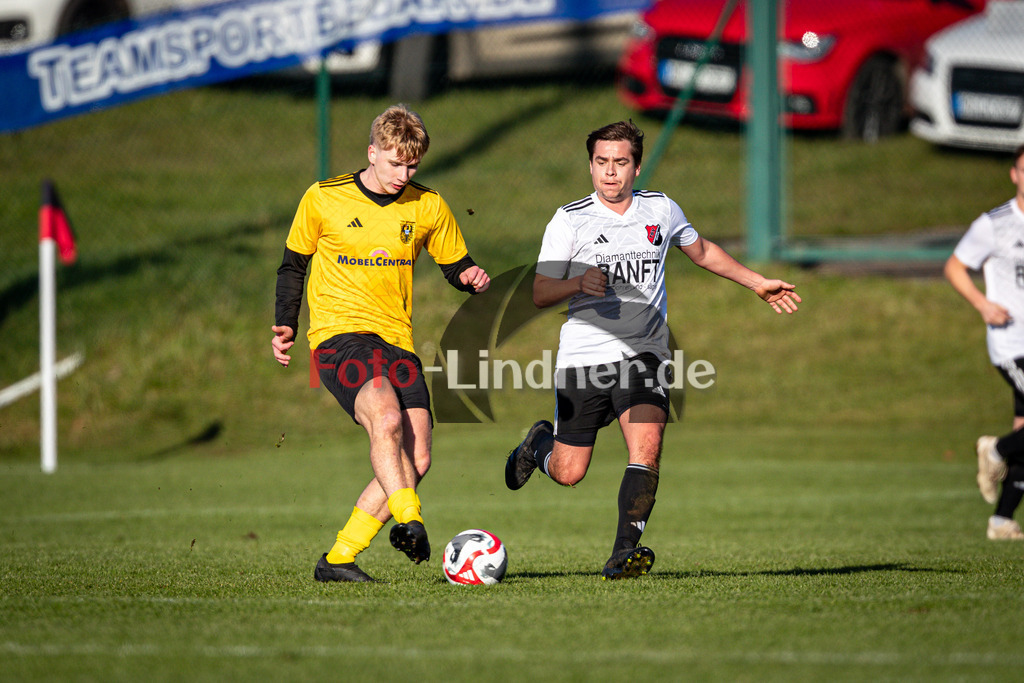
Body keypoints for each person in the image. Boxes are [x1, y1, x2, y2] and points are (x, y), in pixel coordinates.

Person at [504, 120, 801, 579]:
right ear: (590, 165)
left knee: (648, 445)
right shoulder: (570, 218)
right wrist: (577, 282)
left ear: (636, 168)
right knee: (568, 471)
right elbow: (539, 292)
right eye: (601, 162)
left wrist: (757, 282)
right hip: (583, 359)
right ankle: (537, 443)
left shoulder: (661, 211)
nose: (610, 172)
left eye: (620, 162)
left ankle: (623, 553)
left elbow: (701, 251)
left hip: (644, 353)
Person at [272, 104, 491, 582]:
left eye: (412, 165)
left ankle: (338, 559)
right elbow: (293, 265)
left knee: (419, 458)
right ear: (372, 152)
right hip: (339, 336)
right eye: (395, 162)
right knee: (386, 419)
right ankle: (411, 520)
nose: (403, 174)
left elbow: (454, 263)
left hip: (397, 340)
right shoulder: (323, 197)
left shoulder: (427, 204)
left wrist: (469, 276)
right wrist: (285, 322)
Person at [945, 143, 1024, 541]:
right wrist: (982, 304)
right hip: (1013, 344)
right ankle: (996, 450)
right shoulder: (995, 224)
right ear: (1014, 175)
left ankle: (1002, 520)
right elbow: (955, 266)